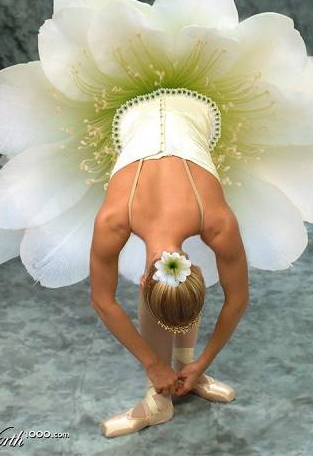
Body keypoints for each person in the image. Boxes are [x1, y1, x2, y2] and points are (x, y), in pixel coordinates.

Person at [90, 89, 249, 437]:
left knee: (174, 303)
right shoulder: (113, 219)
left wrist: (200, 363)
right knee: (169, 304)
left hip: (194, 113)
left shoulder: (218, 220)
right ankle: (159, 395)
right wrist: (153, 365)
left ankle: (184, 367)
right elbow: (102, 301)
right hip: (135, 116)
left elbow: (238, 299)